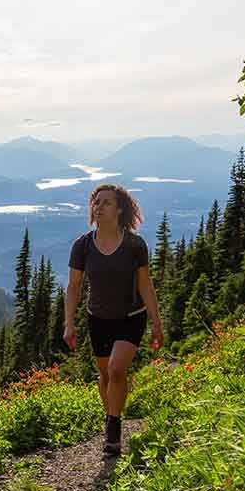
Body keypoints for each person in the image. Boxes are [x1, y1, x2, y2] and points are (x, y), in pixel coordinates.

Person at [63, 183, 163, 456]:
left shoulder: (134, 245)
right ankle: (111, 417)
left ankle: (114, 431)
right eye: (96, 202)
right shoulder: (83, 246)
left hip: (131, 317)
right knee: (106, 374)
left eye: (106, 202)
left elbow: (145, 285)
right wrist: (69, 323)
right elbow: (73, 287)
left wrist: (156, 323)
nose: (99, 206)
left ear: (119, 209)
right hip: (98, 318)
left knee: (118, 370)